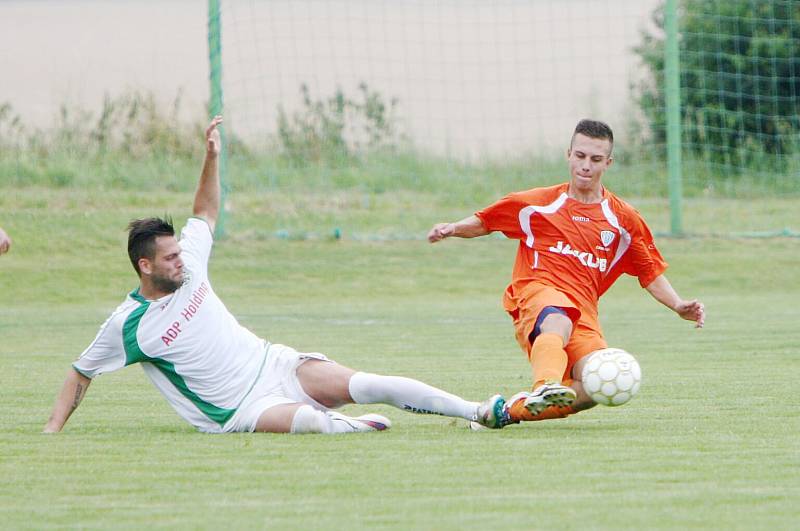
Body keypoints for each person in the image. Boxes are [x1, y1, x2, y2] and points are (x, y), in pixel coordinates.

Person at [44, 116, 506, 435]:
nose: (180, 261)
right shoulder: (128, 325)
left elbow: (204, 210)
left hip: (275, 364)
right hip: (240, 409)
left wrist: (211, 156)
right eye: (169, 259)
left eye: (179, 253)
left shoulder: (192, 260)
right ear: (145, 267)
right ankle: (344, 426)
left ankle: (479, 411)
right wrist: (51, 430)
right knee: (309, 424)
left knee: (369, 384)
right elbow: (80, 373)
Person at [427, 119, 705, 425]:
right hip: (536, 296)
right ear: (568, 155)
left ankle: (503, 413)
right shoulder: (538, 204)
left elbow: (649, 272)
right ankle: (544, 384)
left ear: (608, 163)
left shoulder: (623, 219)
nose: (586, 165)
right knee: (558, 316)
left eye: (596, 159)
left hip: (583, 314)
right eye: (580, 156)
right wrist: (452, 228)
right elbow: (486, 221)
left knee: (590, 390)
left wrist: (678, 305)